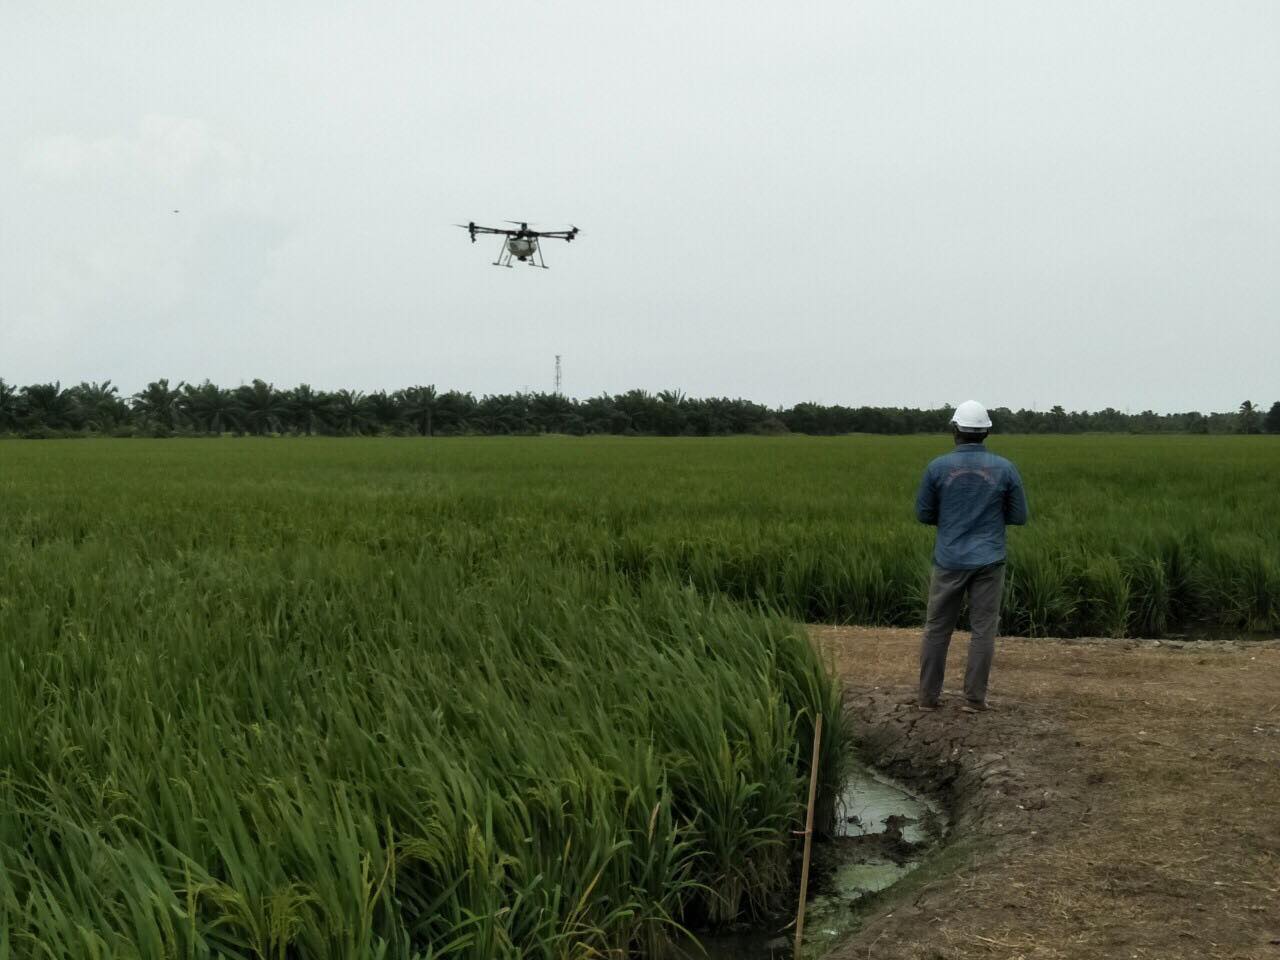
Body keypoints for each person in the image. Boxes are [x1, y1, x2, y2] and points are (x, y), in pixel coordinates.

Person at [914, 401, 1027, 712]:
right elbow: (1019, 516)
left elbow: (924, 514)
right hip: (989, 560)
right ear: (986, 432)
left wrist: (951, 518)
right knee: (983, 631)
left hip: (948, 559)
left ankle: (927, 698)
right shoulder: (1005, 468)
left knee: (937, 628)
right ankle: (975, 699)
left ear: (955, 431)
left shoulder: (937, 468)